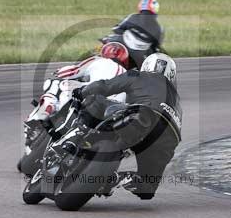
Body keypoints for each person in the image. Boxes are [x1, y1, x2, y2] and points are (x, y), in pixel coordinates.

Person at [71, 52, 182, 200]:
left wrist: (82, 91)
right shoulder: (177, 101)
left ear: (147, 66)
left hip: (142, 117)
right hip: (169, 137)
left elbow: (105, 86)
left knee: (94, 99)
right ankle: (121, 178)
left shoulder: (138, 75)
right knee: (147, 188)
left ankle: (78, 133)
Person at [102, 0, 164, 70]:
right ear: (155, 9)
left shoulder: (133, 17)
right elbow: (156, 47)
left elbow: (116, 29)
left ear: (141, 6)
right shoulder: (158, 28)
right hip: (138, 56)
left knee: (106, 39)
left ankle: (99, 56)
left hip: (122, 45)